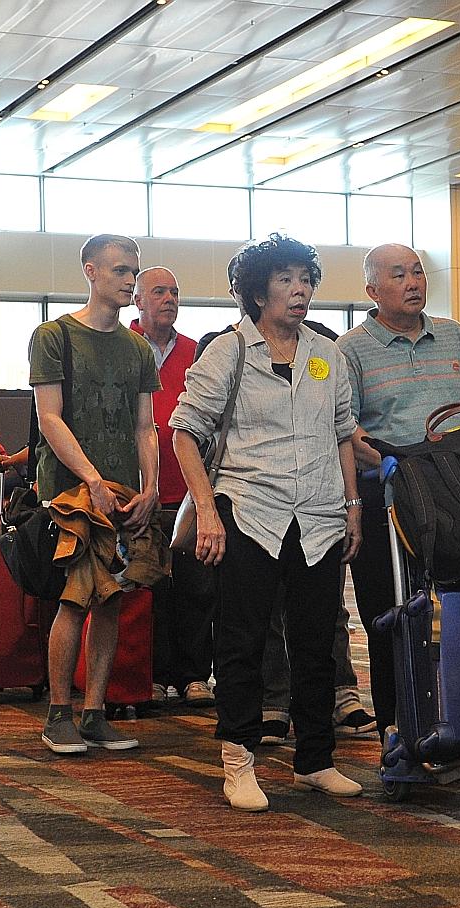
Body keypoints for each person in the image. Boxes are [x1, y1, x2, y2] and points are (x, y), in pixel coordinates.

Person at [171, 233, 364, 811]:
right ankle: (239, 759)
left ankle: (316, 760)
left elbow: (342, 434)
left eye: (305, 278)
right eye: (285, 279)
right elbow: (186, 433)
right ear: (257, 290)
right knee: (243, 640)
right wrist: (207, 511)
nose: (299, 290)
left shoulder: (326, 352)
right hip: (249, 509)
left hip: (321, 515)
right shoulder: (227, 352)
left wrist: (352, 506)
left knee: (316, 641)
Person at [339, 242, 460, 737]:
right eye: (398, 275)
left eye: (417, 273)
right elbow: (347, 430)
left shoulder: (455, 337)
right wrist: (398, 461)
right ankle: (397, 726)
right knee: (389, 613)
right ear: (372, 290)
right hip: (387, 499)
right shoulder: (351, 349)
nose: (413, 282)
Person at [30, 234, 159, 755]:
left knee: (112, 601)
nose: (131, 281)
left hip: (124, 492)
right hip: (71, 494)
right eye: (121, 272)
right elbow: (49, 417)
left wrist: (150, 487)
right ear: (91, 271)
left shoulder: (136, 347)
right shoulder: (53, 335)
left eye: (134, 272)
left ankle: (94, 712)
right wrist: (90, 479)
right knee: (75, 599)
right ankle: (59, 712)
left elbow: (145, 426)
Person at [131, 265, 214, 710]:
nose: (169, 299)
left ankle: (195, 673)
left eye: (175, 292)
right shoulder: (122, 348)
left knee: (198, 587)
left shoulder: (196, 353)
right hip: (138, 493)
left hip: (190, 492)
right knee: (150, 587)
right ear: (138, 300)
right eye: (158, 291)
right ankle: (156, 673)